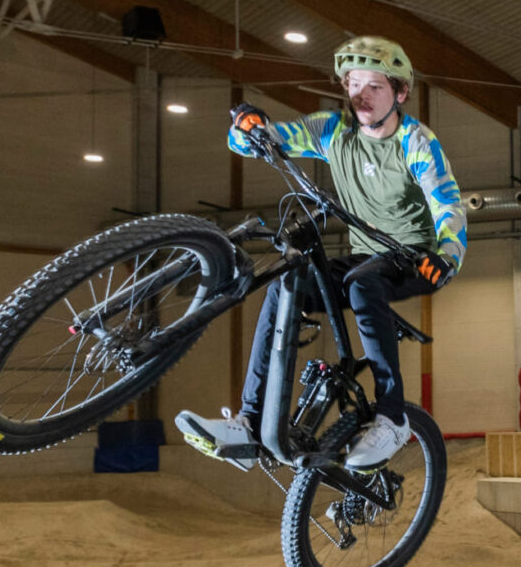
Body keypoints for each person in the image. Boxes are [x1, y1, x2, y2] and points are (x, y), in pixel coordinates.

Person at [176, 36, 465, 471]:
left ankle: (392, 417)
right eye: (354, 85)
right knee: (287, 285)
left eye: (375, 87)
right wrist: (249, 127)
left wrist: (447, 254)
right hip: (367, 256)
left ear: (400, 92)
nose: (361, 97)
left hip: (416, 258)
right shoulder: (333, 130)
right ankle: (251, 424)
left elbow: (447, 202)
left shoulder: (416, 142)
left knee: (364, 282)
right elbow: (270, 139)